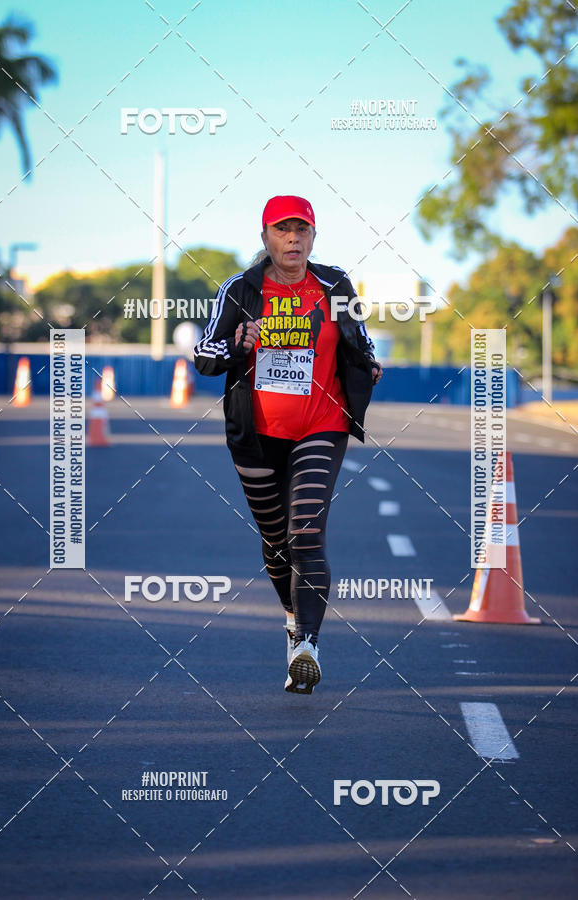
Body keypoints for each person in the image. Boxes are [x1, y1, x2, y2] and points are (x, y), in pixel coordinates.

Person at [194, 195, 382, 694]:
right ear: (265, 238)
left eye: (302, 230)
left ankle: (308, 643)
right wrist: (241, 343)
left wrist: (369, 362)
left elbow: (358, 338)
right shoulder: (241, 289)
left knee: (305, 528)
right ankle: (291, 617)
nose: (293, 239)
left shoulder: (335, 283)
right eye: (283, 230)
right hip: (255, 436)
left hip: (322, 423)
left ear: (314, 238)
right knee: (277, 542)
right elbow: (205, 355)